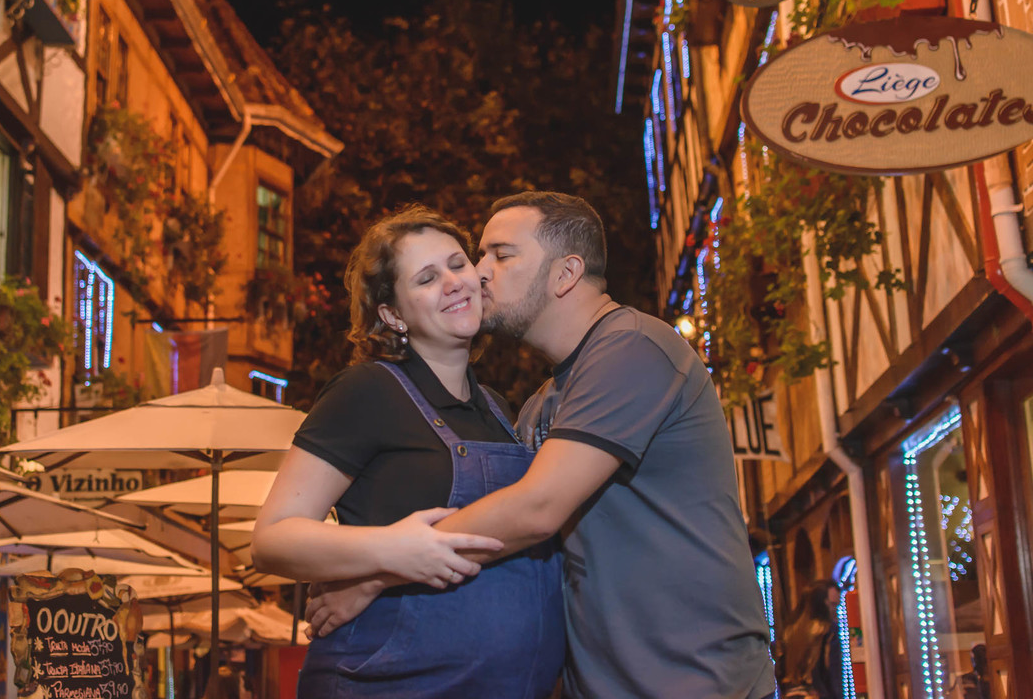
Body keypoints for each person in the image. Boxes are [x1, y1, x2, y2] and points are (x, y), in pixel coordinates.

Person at [307, 191, 776, 699]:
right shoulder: (539, 405)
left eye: (501, 255)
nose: (479, 272)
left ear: (565, 273)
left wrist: (378, 571)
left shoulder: (633, 347)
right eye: (480, 254)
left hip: (694, 679)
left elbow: (537, 509)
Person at [252, 204, 565, 698]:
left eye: (458, 264)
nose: (453, 282)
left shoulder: (499, 409)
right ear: (393, 315)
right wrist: (391, 553)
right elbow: (272, 539)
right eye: (425, 278)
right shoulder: (367, 392)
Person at [778, 580, 841, 698]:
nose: (835, 610)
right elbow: (832, 673)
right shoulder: (826, 631)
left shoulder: (790, 631)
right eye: (832, 605)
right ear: (821, 604)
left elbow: (780, 670)